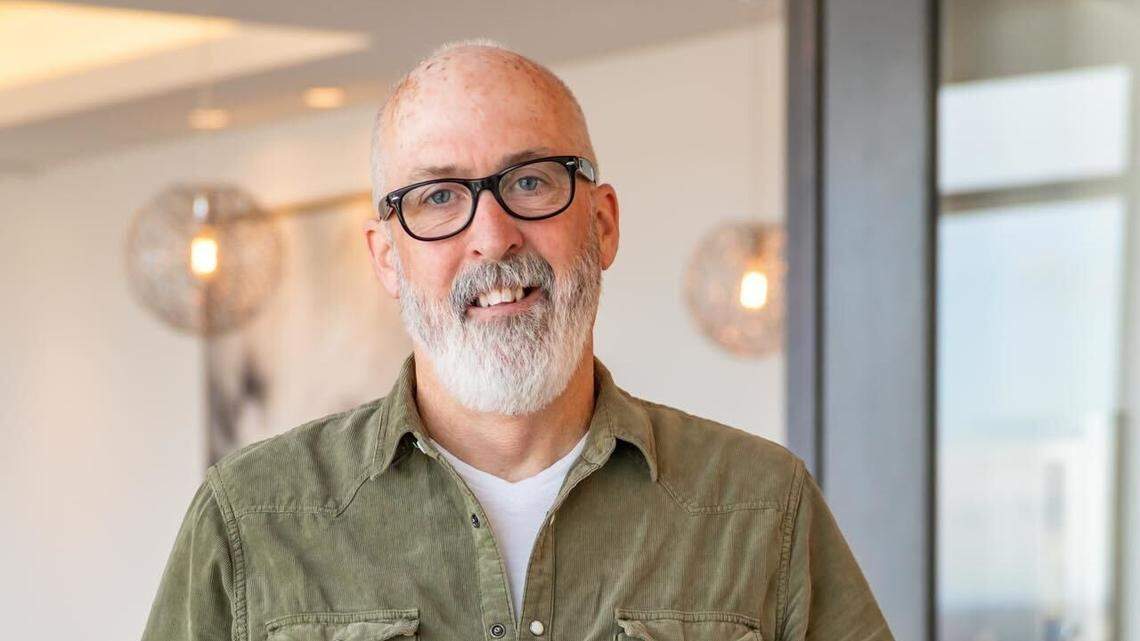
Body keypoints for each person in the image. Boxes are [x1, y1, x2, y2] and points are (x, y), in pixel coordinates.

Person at [141, 39, 895, 641]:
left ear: (602, 224)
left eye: (530, 181)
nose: (493, 238)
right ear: (386, 257)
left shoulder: (761, 505)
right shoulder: (251, 518)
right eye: (438, 197)